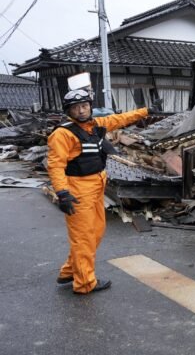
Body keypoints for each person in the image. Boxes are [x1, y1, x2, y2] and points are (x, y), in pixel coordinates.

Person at [48, 89, 157, 294]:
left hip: (97, 186)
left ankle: (70, 271)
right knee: (83, 237)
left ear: (90, 106)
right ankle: (84, 283)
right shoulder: (62, 134)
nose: (81, 111)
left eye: (84, 106)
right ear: (68, 111)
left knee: (96, 232)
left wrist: (145, 111)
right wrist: (62, 193)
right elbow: (55, 166)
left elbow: (121, 118)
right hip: (78, 190)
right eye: (75, 108)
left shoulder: (96, 125)